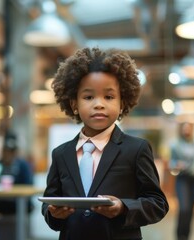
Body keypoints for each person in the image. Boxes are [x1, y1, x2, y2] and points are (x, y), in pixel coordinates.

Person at [42, 47, 169, 240]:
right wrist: (53, 213)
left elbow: (157, 203)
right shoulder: (61, 154)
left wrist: (123, 207)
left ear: (122, 104)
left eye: (109, 97)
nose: (99, 104)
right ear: (74, 104)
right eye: (88, 97)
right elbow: (50, 202)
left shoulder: (136, 149)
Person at [169, 122, 194, 240]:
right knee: (184, 208)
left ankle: (186, 236)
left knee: (191, 210)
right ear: (181, 130)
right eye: (184, 129)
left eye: (189, 129)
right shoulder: (175, 145)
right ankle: (179, 235)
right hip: (182, 179)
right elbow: (172, 163)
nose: (187, 131)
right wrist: (177, 164)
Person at [0, 131, 34, 214]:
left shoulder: (23, 165)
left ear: (15, 152)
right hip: (1, 200)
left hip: (18, 200)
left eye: (11, 151)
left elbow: (29, 185)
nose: (7, 154)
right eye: (5, 151)